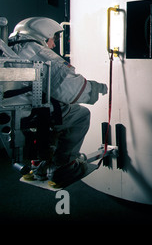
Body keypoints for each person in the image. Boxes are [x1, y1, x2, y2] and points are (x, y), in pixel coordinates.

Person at [8, 17, 107, 186]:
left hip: (15, 111)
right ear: (43, 35)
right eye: (53, 39)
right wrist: (96, 88)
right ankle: (63, 166)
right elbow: (71, 89)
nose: (53, 45)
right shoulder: (39, 52)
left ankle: (38, 165)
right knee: (80, 115)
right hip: (34, 111)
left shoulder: (10, 48)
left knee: (53, 118)